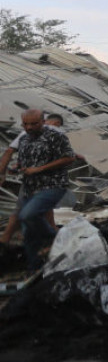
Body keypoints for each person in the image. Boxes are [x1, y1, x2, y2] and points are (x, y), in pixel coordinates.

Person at [0, 109, 74, 270]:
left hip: (52, 185)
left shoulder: (56, 135)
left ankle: (53, 238)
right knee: (29, 235)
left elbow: (69, 157)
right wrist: (15, 168)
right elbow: (22, 162)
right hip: (29, 188)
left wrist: (40, 169)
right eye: (26, 124)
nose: (29, 127)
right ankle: (35, 267)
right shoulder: (24, 139)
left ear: (43, 121)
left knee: (28, 215)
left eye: (34, 124)